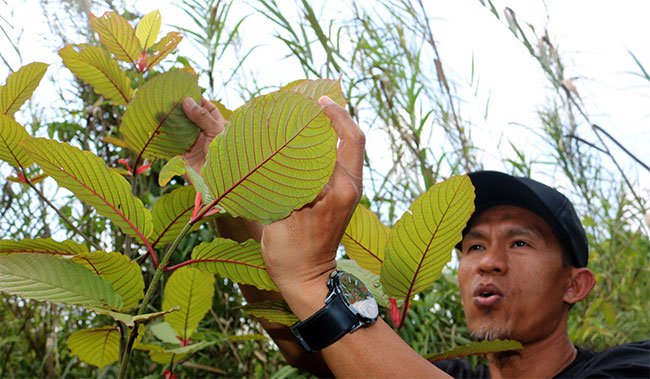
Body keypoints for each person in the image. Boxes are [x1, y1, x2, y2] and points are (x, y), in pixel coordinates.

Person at [181, 96, 650, 378]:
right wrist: (232, 197)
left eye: (520, 242)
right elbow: (305, 345)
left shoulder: (630, 367)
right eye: (474, 246)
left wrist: (312, 279)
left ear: (575, 284)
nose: (488, 262)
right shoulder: (440, 371)